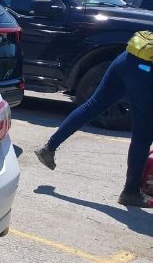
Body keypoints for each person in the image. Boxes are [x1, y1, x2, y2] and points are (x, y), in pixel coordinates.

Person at [34, 35, 153, 207]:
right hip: (145, 69)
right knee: (142, 136)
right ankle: (130, 192)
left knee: (92, 105)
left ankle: (49, 147)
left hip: (126, 59)